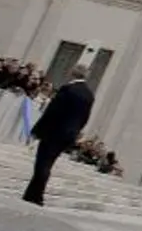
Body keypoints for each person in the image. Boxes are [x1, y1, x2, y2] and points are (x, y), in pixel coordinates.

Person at [21, 64, 95, 205]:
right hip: (68, 134)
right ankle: (30, 194)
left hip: (53, 132)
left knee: (42, 164)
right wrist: (75, 132)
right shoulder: (89, 94)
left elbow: (53, 112)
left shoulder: (68, 89)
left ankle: (37, 196)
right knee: (48, 163)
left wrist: (37, 130)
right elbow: (85, 118)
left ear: (72, 73)